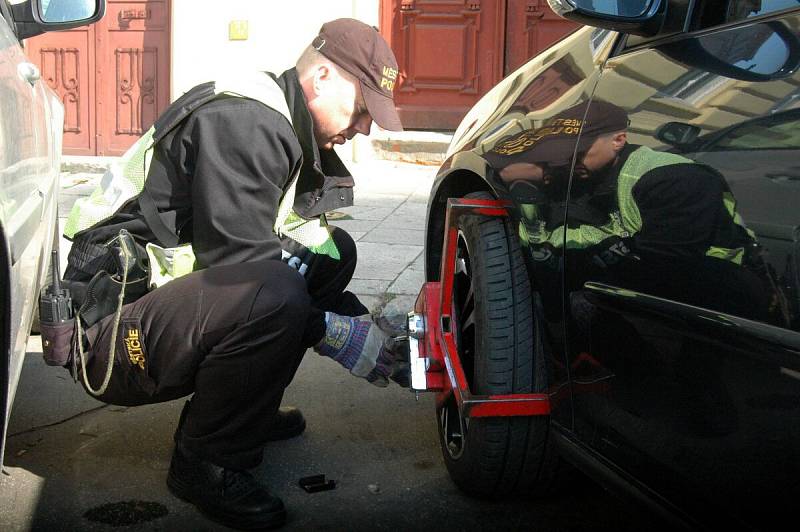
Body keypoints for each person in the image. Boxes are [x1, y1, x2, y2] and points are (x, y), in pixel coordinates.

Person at [59, 19, 407, 530]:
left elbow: (282, 247)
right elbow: (244, 275)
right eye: (361, 110)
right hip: (111, 333)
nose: (364, 128)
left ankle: (247, 415)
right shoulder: (247, 123)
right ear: (324, 77)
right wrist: (336, 334)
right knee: (272, 293)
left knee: (333, 254)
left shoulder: (275, 118)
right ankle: (206, 461)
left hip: (159, 307)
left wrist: (361, 320)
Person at [483, 100, 785, 325]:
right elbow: (502, 160)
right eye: (562, 153)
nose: (568, 162)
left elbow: (667, 264)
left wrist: (584, 281)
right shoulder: (589, 173)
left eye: (579, 151)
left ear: (619, 140)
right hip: (666, 274)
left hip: (727, 291)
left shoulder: (675, 179)